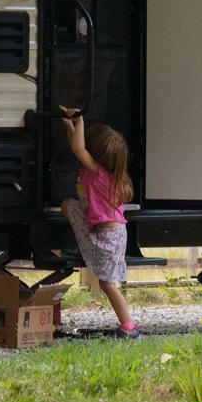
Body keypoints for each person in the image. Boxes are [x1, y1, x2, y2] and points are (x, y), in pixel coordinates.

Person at [56, 106, 141, 337]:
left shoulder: (97, 173)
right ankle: (128, 326)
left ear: (96, 154)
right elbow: (78, 148)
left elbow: (78, 147)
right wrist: (70, 126)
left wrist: (79, 118)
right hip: (115, 233)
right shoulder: (114, 176)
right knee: (108, 284)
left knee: (108, 285)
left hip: (106, 235)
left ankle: (129, 328)